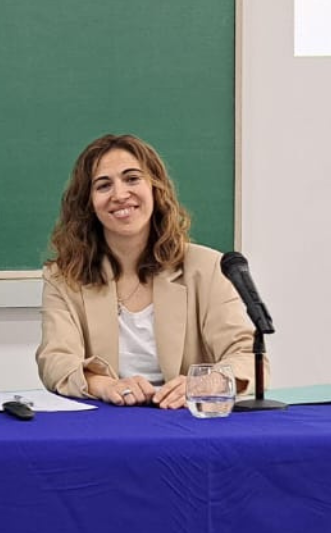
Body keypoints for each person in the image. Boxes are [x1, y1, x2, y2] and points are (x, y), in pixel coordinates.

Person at [36, 133, 259, 409]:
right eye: (103, 185)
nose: (120, 195)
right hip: (107, 419)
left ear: (155, 188)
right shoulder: (65, 276)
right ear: (88, 203)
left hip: (186, 419)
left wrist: (206, 383)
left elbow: (248, 356)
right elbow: (54, 360)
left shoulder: (207, 268)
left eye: (132, 179)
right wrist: (104, 385)